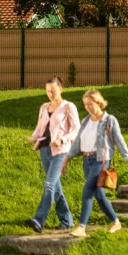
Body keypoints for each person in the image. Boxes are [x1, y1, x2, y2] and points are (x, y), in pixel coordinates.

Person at [62, 89, 128, 237]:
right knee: (98, 194)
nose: (88, 107)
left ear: (98, 103)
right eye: (85, 104)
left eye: (90, 104)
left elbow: (119, 140)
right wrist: (66, 159)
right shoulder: (85, 121)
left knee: (87, 190)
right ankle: (116, 222)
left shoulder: (109, 120)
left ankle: (81, 227)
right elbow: (77, 142)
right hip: (87, 160)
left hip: (101, 160)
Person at [25, 76, 80, 233]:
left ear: (61, 89)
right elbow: (40, 127)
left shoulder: (68, 107)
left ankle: (38, 219)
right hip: (44, 149)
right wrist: (34, 137)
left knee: (49, 184)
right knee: (55, 187)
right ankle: (67, 220)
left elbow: (76, 130)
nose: (50, 94)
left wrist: (62, 140)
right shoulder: (44, 107)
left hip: (61, 152)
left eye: (53, 90)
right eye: (48, 91)